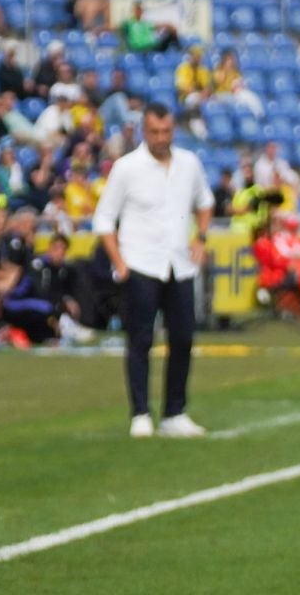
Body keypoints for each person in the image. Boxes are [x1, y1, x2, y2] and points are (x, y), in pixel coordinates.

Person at [91, 103, 213, 437]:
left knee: (183, 337)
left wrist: (200, 238)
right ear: (144, 131)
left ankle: (175, 412)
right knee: (140, 339)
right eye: (155, 132)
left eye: (167, 131)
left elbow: (205, 202)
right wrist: (119, 262)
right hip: (141, 263)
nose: (162, 138)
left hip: (179, 264)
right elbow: (103, 219)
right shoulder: (127, 168)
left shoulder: (189, 163)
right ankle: (141, 413)